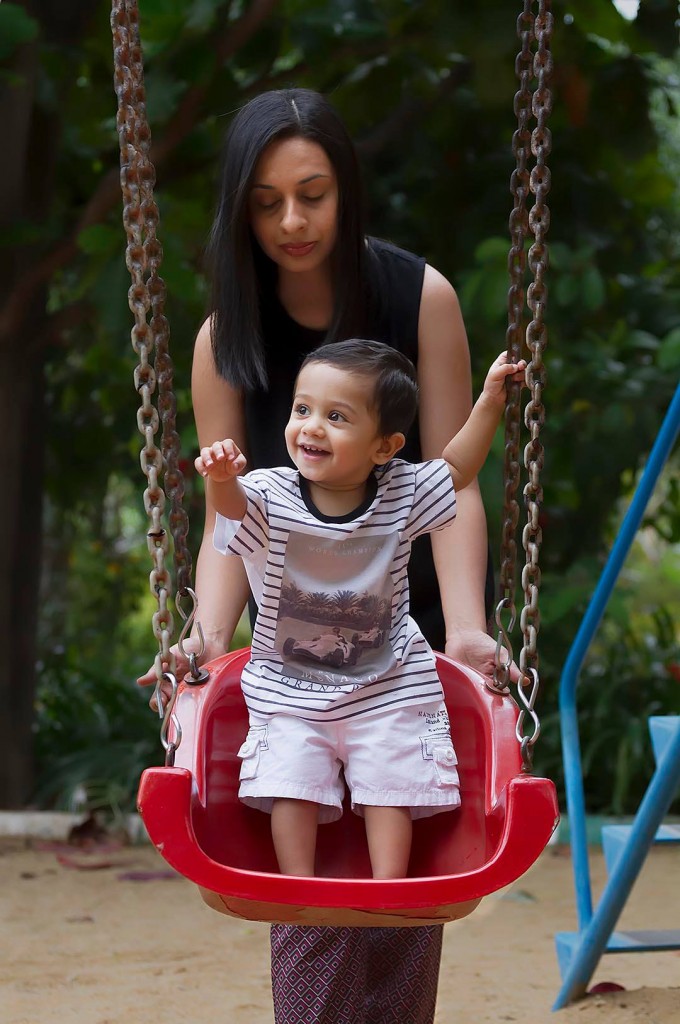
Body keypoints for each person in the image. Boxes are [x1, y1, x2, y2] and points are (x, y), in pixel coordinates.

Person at [138, 87, 518, 1024]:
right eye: (266, 203)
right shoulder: (226, 336)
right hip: (295, 634)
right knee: (300, 862)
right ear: (241, 210)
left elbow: (452, 480)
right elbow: (229, 515)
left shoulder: (416, 295)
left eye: (313, 193)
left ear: (346, 190)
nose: (292, 221)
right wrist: (203, 638)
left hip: (405, 615)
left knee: (403, 882)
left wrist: (465, 629)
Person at [194, 339, 525, 880]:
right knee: (290, 787)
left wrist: (490, 399)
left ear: (384, 447)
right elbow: (233, 510)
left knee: (390, 789)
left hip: (386, 686)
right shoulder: (269, 493)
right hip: (290, 690)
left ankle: (386, 888)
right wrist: (222, 479)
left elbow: (459, 468)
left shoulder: (402, 492)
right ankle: (296, 885)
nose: (311, 427)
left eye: (336, 416)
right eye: (302, 409)